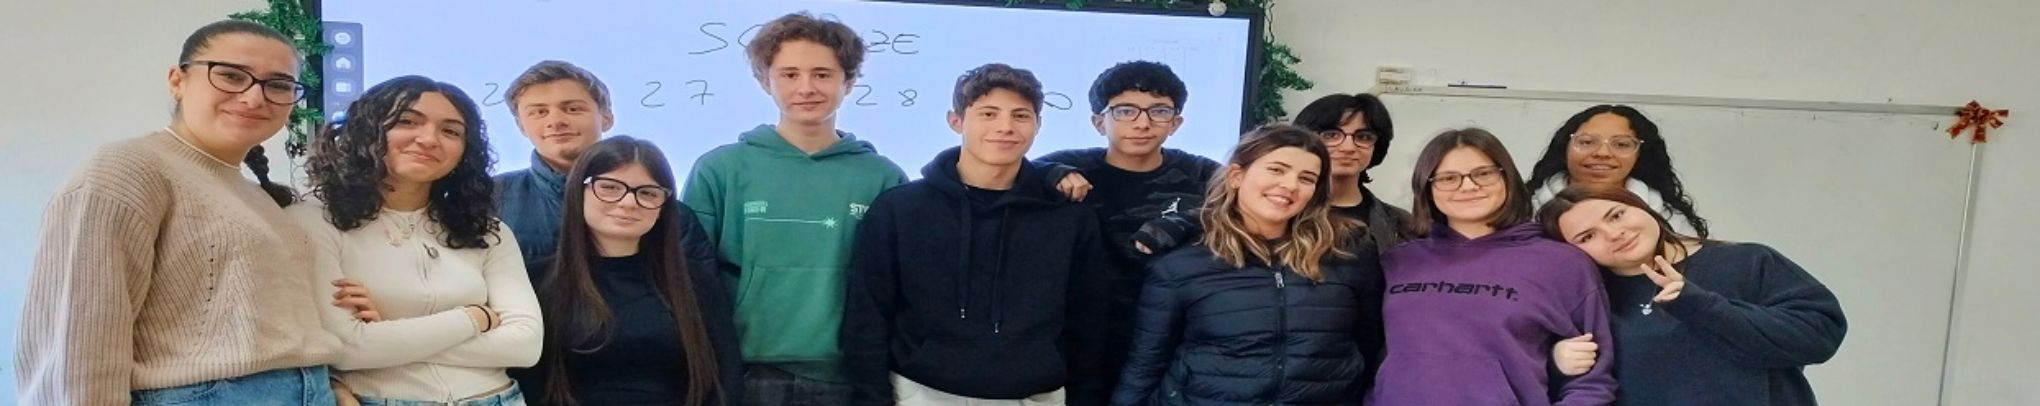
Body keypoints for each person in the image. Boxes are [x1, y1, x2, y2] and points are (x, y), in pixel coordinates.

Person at [15, 19, 343, 405]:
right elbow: (77, 339)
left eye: (279, 85)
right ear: (177, 81)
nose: (255, 98)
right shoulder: (128, 167)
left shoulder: (256, 194)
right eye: (231, 76)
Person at [841, 63, 1111, 406]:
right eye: (988, 113)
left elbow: (1088, 322)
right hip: (919, 393)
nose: (1005, 127)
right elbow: (868, 315)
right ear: (956, 121)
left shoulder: (1069, 217)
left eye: (1020, 115)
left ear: (1038, 125)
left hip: (1036, 396)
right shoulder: (900, 209)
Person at [680, 12, 906, 404]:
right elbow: (687, 278)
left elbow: (895, 287)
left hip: (846, 378)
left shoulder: (883, 177)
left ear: (849, 82)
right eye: (789, 74)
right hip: (742, 374)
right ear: (764, 80)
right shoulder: (720, 170)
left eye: (822, 74)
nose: (806, 88)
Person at [293, 75, 540, 405]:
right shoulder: (313, 220)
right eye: (407, 122)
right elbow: (347, 349)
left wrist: (390, 330)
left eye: (451, 131)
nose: (429, 139)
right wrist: (474, 318)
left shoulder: (486, 230)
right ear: (367, 129)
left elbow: (525, 346)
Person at [1114, 124, 1382, 405]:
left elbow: (1370, 345)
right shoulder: (1180, 262)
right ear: (1236, 176)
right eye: (1276, 170)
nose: (1291, 185)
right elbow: (1145, 363)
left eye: (1306, 178)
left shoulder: (1349, 254)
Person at [1368, 128, 1616, 406]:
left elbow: (1593, 383)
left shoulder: (1562, 263)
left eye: (1483, 173)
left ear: (1507, 177)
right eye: (1448, 178)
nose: (1468, 186)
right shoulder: (1399, 261)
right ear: (1427, 188)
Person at [1541, 185, 1846, 406]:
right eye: (1588, 237)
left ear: (1641, 206)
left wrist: (1700, 305)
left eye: (1617, 215)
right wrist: (1556, 366)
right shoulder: (1586, 303)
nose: (1614, 233)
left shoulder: (1746, 261)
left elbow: (1819, 337)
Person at [1036, 61, 1221, 392]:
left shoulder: (1202, 175)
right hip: (1085, 337)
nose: (1142, 123)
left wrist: (1191, 219)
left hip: (1172, 338)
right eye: (1125, 111)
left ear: (1175, 123)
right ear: (1099, 122)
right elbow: (1009, 174)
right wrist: (1049, 175)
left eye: (1159, 111)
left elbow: (1251, 204)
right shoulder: (1068, 167)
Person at [518, 136, 744, 405]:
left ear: (664, 206)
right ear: (578, 191)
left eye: (648, 193)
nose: (628, 202)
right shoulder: (536, 283)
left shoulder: (695, 283)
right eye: (610, 187)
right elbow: (525, 380)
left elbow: (726, 378)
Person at [495, 60, 619, 265]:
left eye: (573, 109)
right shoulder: (487, 198)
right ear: (521, 126)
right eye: (539, 112)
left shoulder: (649, 198)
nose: (556, 121)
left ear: (606, 118)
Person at [1525, 105, 1710, 237]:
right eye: (1587, 142)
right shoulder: (1524, 210)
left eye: (1621, 144)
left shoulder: (1670, 220)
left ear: (1641, 154)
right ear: (1564, 147)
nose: (1602, 153)